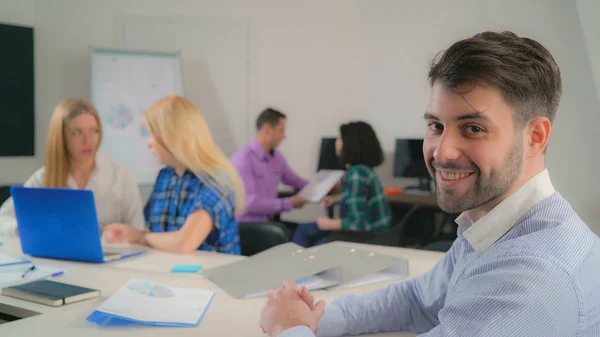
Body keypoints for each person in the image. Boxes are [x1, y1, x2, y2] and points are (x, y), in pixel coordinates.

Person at [260, 31, 600, 337]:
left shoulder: (534, 281)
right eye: (436, 125)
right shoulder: (491, 224)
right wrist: (316, 319)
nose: (442, 152)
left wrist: (289, 330)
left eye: (473, 128)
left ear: (535, 137)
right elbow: (417, 301)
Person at [102, 95, 245, 255]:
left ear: (172, 136)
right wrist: (130, 234)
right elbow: (151, 229)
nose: (149, 143)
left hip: (210, 276)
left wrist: (141, 237)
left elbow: (184, 244)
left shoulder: (216, 181)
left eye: (151, 135)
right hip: (167, 271)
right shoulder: (166, 176)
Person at [0, 98, 144, 237]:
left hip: (112, 258)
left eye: (94, 131)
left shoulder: (121, 176)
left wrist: (123, 235)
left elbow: (138, 231)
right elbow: (3, 217)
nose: (88, 140)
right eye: (77, 132)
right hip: (58, 259)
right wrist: (22, 229)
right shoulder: (45, 177)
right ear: (61, 137)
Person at [291, 121, 392, 247]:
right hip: (377, 234)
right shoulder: (363, 170)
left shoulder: (356, 175)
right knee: (307, 231)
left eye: (341, 137)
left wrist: (327, 223)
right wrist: (337, 199)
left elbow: (357, 224)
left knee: (308, 233)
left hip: (366, 238)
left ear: (351, 143)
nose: (337, 141)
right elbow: (361, 202)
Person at [231, 108, 309, 231]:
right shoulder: (243, 159)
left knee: (308, 231)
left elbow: (295, 181)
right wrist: (289, 203)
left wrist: (323, 187)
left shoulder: (277, 158)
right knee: (297, 236)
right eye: (281, 130)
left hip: (270, 222)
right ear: (267, 129)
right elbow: (249, 203)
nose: (284, 136)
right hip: (247, 227)